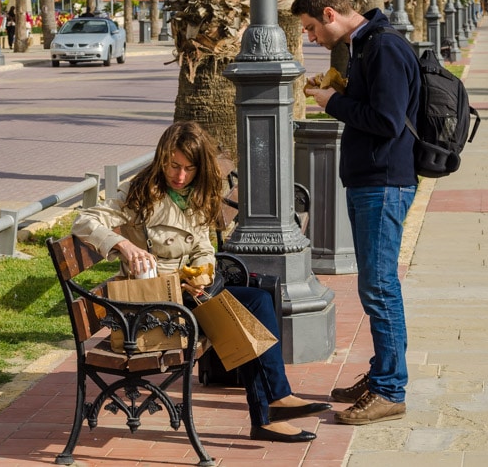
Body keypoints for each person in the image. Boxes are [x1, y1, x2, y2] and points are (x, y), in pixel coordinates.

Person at [71, 121, 331, 443]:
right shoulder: (139, 192)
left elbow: (203, 246)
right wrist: (123, 245)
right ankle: (270, 409)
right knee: (251, 307)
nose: (180, 176)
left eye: (189, 168)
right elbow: (84, 221)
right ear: (162, 158)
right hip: (155, 303)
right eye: (174, 165)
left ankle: (271, 409)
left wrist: (205, 271)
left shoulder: (195, 193)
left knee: (255, 304)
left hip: (189, 292)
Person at [291, 0, 420, 426]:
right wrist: (343, 94)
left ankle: (390, 390)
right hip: (374, 181)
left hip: (384, 183)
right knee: (376, 285)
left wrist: (331, 102)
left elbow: (386, 120)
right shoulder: (366, 45)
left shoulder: (382, 47)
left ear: (329, 14)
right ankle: (383, 373)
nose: (310, 38)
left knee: (380, 287)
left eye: (310, 28)